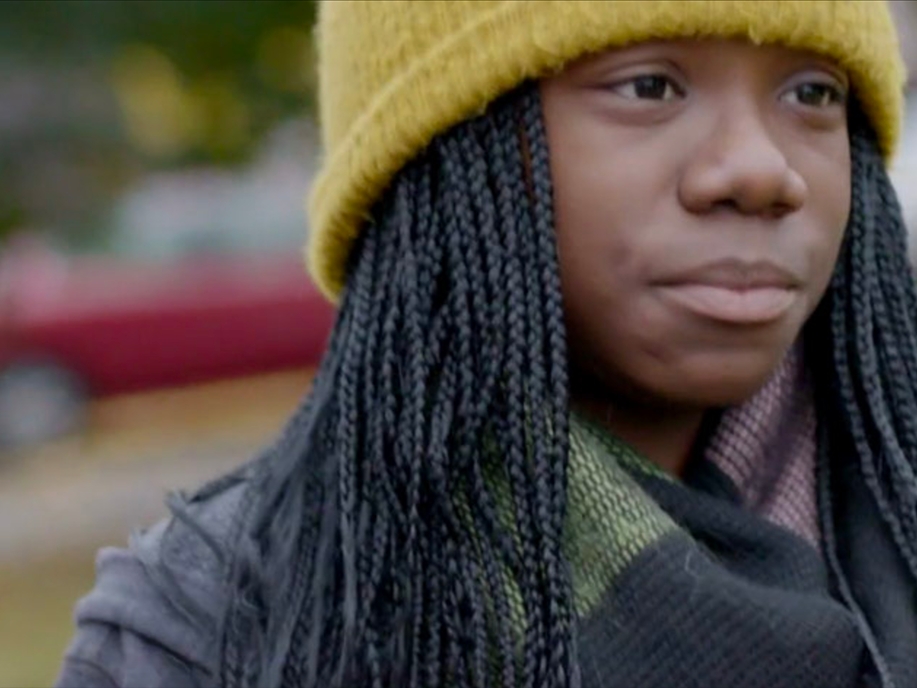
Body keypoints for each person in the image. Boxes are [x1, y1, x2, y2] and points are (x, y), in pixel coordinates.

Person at [55, 1, 917, 687]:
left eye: (811, 92)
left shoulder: (895, 517)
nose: (763, 170)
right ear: (439, 152)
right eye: (649, 86)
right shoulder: (227, 620)